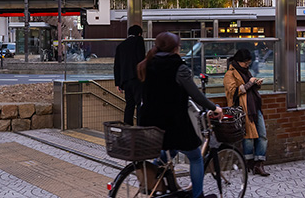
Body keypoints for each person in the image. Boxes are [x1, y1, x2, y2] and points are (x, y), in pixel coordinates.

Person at [138, 32, 222, 198]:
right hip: (173, 122)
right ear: (176, 47)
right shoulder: (179, 67)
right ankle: (197, 195)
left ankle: (155, 184)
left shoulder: (147, 64)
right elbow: (196, 95)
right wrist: (215, 108)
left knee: (167, 151)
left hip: (149, 121)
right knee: (196, 156)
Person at [223, 48, 269, 176]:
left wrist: (256, 84)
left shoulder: (246, 71)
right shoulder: (230, 74)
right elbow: (233, 92)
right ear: (238, 61)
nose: (247, 65)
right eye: (245, 63)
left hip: (254, 107)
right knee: (248, 138)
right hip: (242, 109)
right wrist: (250, 83)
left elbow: (249, 87)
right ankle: (248, 163)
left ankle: (259, 163)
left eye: (248, 63)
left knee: (262, 135)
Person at [114, 24, 146, 125]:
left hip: (125, 80)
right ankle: (141, 126)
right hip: (137, 78)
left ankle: (127, 128)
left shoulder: (121, 46)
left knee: (129, 105)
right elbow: (141, 59)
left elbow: (117, 65)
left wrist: (118, 83)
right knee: (140, 104)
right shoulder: (139, 41)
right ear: (139, 34)